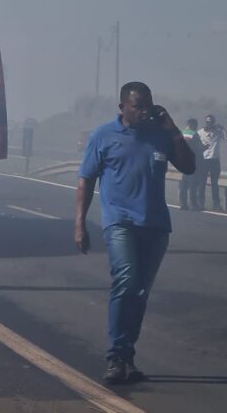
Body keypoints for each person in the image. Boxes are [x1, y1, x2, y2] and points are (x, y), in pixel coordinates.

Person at [75, 82, 195, 384]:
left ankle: (126, 356)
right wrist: (79, 224)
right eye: (137, 105)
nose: (143, 111)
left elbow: (189, 167)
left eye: (148, 105)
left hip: (155, 225)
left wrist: (173, 128)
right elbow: (85, 181)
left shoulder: (160, 135)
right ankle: (115, 356)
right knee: (126, 282)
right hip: (120, 222)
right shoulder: (103, 136)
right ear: (123, 107)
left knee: (140, 292)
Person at [196, 114, 227, 210]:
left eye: (211, 122)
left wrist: (223, 128)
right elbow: (195, 145)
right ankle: (200, 203)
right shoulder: (200, 132)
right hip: (203, 160)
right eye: (208, 122)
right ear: (205, 122)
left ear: (214, 123)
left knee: (214, 183)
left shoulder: (218, 132)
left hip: (215, 160)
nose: (209, 124)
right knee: (202, 183)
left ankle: (216, 204)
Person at [177, 118, 203, 210]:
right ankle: (194, 204)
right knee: (193, 184)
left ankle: (183, 204)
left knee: (183, 184)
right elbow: (199, 149)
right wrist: (205, 148)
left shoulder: (180, 133)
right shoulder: (194, 134)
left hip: (182, 162)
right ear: (193, 125)